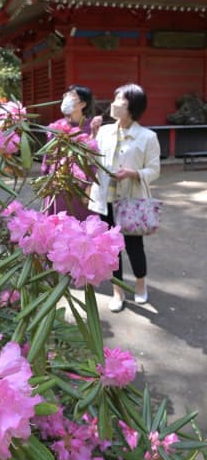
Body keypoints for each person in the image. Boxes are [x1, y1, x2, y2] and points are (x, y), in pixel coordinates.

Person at [89, 83, 160, 312]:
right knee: (111, 249)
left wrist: (133, 173)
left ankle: (140, 285)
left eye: (120, 98)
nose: (114, 102)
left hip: (130, 202)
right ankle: (117, 291)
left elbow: (154, 170)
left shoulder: (148, 137)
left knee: (134, 246)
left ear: (132, 106)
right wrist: (92, 133)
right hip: (104, 201)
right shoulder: (104, 131)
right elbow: (91, 158)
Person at [42, 84, 102, 220]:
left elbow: (95, 160)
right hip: (58, 184)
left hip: (81, 187)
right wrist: (47, 179)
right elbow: (48, 156)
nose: (66, 98)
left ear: (82, 104)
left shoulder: (92, 127)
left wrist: (90, 186)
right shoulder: (55, 126)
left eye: (71, 95)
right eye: (65, 95)